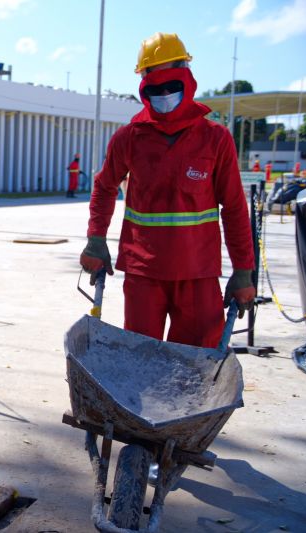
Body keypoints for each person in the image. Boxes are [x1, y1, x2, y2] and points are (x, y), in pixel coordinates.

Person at [79, 32, 256, 349]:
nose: (163, 92)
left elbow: (233, 207)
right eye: (154, 83)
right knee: (141, 362)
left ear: (187, 77)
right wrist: (95, 240)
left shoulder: (215, 139)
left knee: (195, 364)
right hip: (143, 274)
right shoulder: (130, 137)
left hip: (198, 274)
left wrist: (244, 270)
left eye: (170, 82)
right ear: (143, 82)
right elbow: (104, 186)